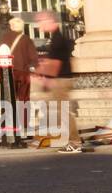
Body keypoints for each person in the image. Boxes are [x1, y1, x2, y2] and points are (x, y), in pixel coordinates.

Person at [36, 11, 85, 153]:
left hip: (61, 80)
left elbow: (56, 63)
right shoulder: (56, 38)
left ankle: (74, 142)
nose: (40, 25)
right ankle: (64, 137)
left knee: (63, 112)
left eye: (41, 21)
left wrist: (47, 79)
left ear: (49, 21)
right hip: (62, 79)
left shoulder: (57, 39)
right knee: (58, 111)